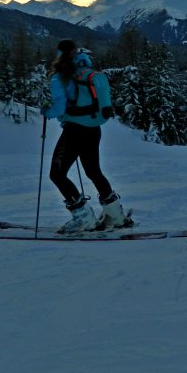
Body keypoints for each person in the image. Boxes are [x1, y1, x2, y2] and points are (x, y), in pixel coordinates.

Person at [41, 39, 129, 233]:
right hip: (93, 128)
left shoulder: (60, 77)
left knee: (57, 174)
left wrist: (47, 111)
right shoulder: (88, 75)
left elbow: (59, 107)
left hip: (74, 130)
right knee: (93, 171)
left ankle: (83, 218)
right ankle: (116, 216)